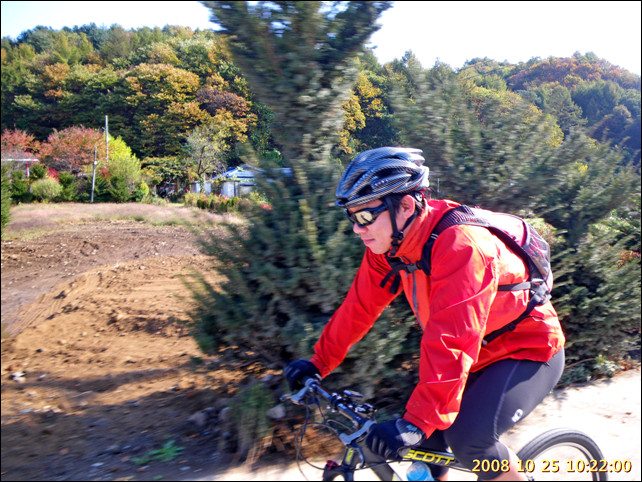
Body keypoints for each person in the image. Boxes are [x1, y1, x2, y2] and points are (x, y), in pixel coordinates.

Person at [284, 147, 566, 481]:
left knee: (470, 442)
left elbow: (453, 339)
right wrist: (318, 363)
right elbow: (358, 308)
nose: (358, 229)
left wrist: (417, 422)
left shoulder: (462, 245)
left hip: (527, 349)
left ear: (405, 205)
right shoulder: (391, 247)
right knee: (427, 443)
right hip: (474, 356)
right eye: (351, 217)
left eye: (365, 217)